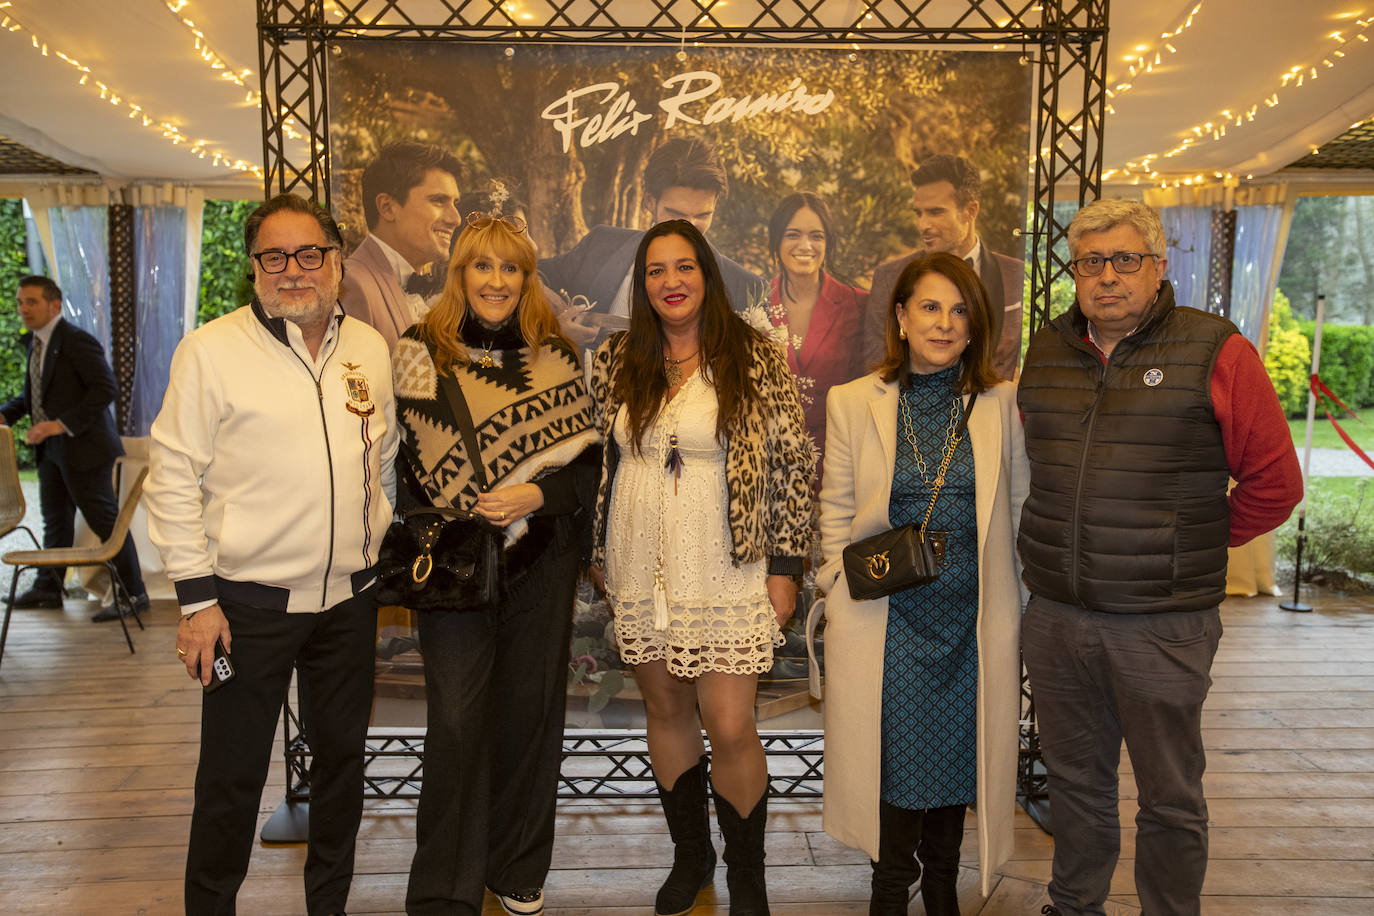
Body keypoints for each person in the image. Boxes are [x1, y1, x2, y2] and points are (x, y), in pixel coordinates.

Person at [1018, 200, 1302, 916]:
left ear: (1157, 267)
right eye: (1091, 262)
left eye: (1124, 260)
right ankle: (1073, 905)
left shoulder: (1216, 349)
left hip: (1162, 626)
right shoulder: (1047, 350)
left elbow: (1275, 484)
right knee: (1074, 784)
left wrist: (1196, 541)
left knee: (1169, 794)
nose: (1107, 277)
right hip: (1057, 617)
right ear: (1074, 272)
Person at [144, 193, 398, 916]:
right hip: (244, 608)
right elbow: (171, 477)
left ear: (338, 261)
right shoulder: (211, 352)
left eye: (309, 254)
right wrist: (196, 602)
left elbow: (379, 465)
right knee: (231, 775)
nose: (293, 271)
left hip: (348, 604)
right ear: (255, 267)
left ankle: (329, 905)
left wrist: (371, 546)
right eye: (274, 257)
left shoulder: (369, 350)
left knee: (343, 766)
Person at [588, 220, 814, 916]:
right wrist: (599, 551)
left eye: (685, 267)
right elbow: (602, 459)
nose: (672, 282)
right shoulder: (618, 358)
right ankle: (692, 860)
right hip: (641, 565)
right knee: (665, 709)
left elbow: (793, 466)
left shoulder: (754, 356)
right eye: (656, 271)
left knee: (731, 722)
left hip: (728, 566)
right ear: (642, 283)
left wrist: (786, 567)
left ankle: (749, 875)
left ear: (707, 275)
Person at [393, 211, 600, 916]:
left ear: (527, 278)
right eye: (482, 265)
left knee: (529, 715)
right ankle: (446, 883)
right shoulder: (418, 349)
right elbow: (404, 465)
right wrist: (459, 511)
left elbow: (587, 470)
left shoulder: (558, 356)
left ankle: (515, 865)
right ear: (460, 273)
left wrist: (534, 493)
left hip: (541, 560)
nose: (497, 280)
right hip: (454, 565)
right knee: (453, 720)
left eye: (511, 267)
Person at [817, 252, 1026, 914]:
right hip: (889, 620)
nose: (944, 323)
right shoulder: (853, 401)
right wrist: (836, 585)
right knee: (894, 758)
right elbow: (835, 510)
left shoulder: (1002, 404)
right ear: (901, 317)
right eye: (930, 308)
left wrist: (1018, 609)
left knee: (959, 758)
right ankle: (888, 888)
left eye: (959, 310)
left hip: (972, 621)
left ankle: (942, 885)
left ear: (977, 324)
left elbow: (1019, 510)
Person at [1, 275, 147, 621]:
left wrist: (58, 424)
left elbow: (105, 388)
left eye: (31, 302)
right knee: (56, 522)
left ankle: (134, 595)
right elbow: (35, 396)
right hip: (52, 452)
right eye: (20, 302)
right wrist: (5, 415)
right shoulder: (35, 343)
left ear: (54, 305)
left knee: (106, 523)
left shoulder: (77, 341)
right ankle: (48, 590)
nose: (23, 309)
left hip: (85, 449)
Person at [540, 137, 767, 353]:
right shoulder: (600, 245)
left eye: (702, 215)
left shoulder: (748, 289)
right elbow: (530, 275)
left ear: (715, 204)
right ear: (650, 201)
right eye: (676, 214)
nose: (689, 227)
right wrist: (556, 326)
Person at [861, 155, 1023, 380]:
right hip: (911, 410)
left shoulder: (1016, 274)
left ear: (971, 210)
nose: (923, 225)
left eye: (935, 212)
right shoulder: (890, 277)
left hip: (993, 410)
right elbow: (876, 366)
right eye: (919, 213)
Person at [764, 192, 868, 478]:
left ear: (828, 243)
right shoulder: (756, 302)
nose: (805, 246)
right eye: (793, 235)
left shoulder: (859, 304)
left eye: (817, 236)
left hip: (838, 458)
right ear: (777, 241)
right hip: (769, 460)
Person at [341, 140, 463, 350]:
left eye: (454, 203)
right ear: (387, 207)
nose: (456, 218)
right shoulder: (351, 285)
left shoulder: (445, 288)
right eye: (438, 201)